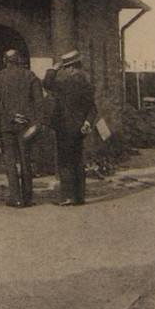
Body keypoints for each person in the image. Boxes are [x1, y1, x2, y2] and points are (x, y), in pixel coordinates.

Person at [0, 49, 43, 207]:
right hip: (26, 125)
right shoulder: (30, 76)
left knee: (10, 161)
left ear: (5, 61)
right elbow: (39, 102)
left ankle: (16, 197)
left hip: (7, 124)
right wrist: (33, 121)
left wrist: (12, 116)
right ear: (19, 60)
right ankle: (27, 197)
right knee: (26, 160)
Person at [43, 49, 98, 206]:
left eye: (65, 68)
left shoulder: (66, 83)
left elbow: (47, 83)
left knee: (65, 162)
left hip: (65, 128)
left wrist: (53, 69)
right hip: (79, 128)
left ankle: (68, 197)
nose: (64, 71)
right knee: (77, 161)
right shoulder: (87, 84)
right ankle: (79, 197)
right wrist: (87, 122)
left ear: (71, 68)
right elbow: (93, 108)